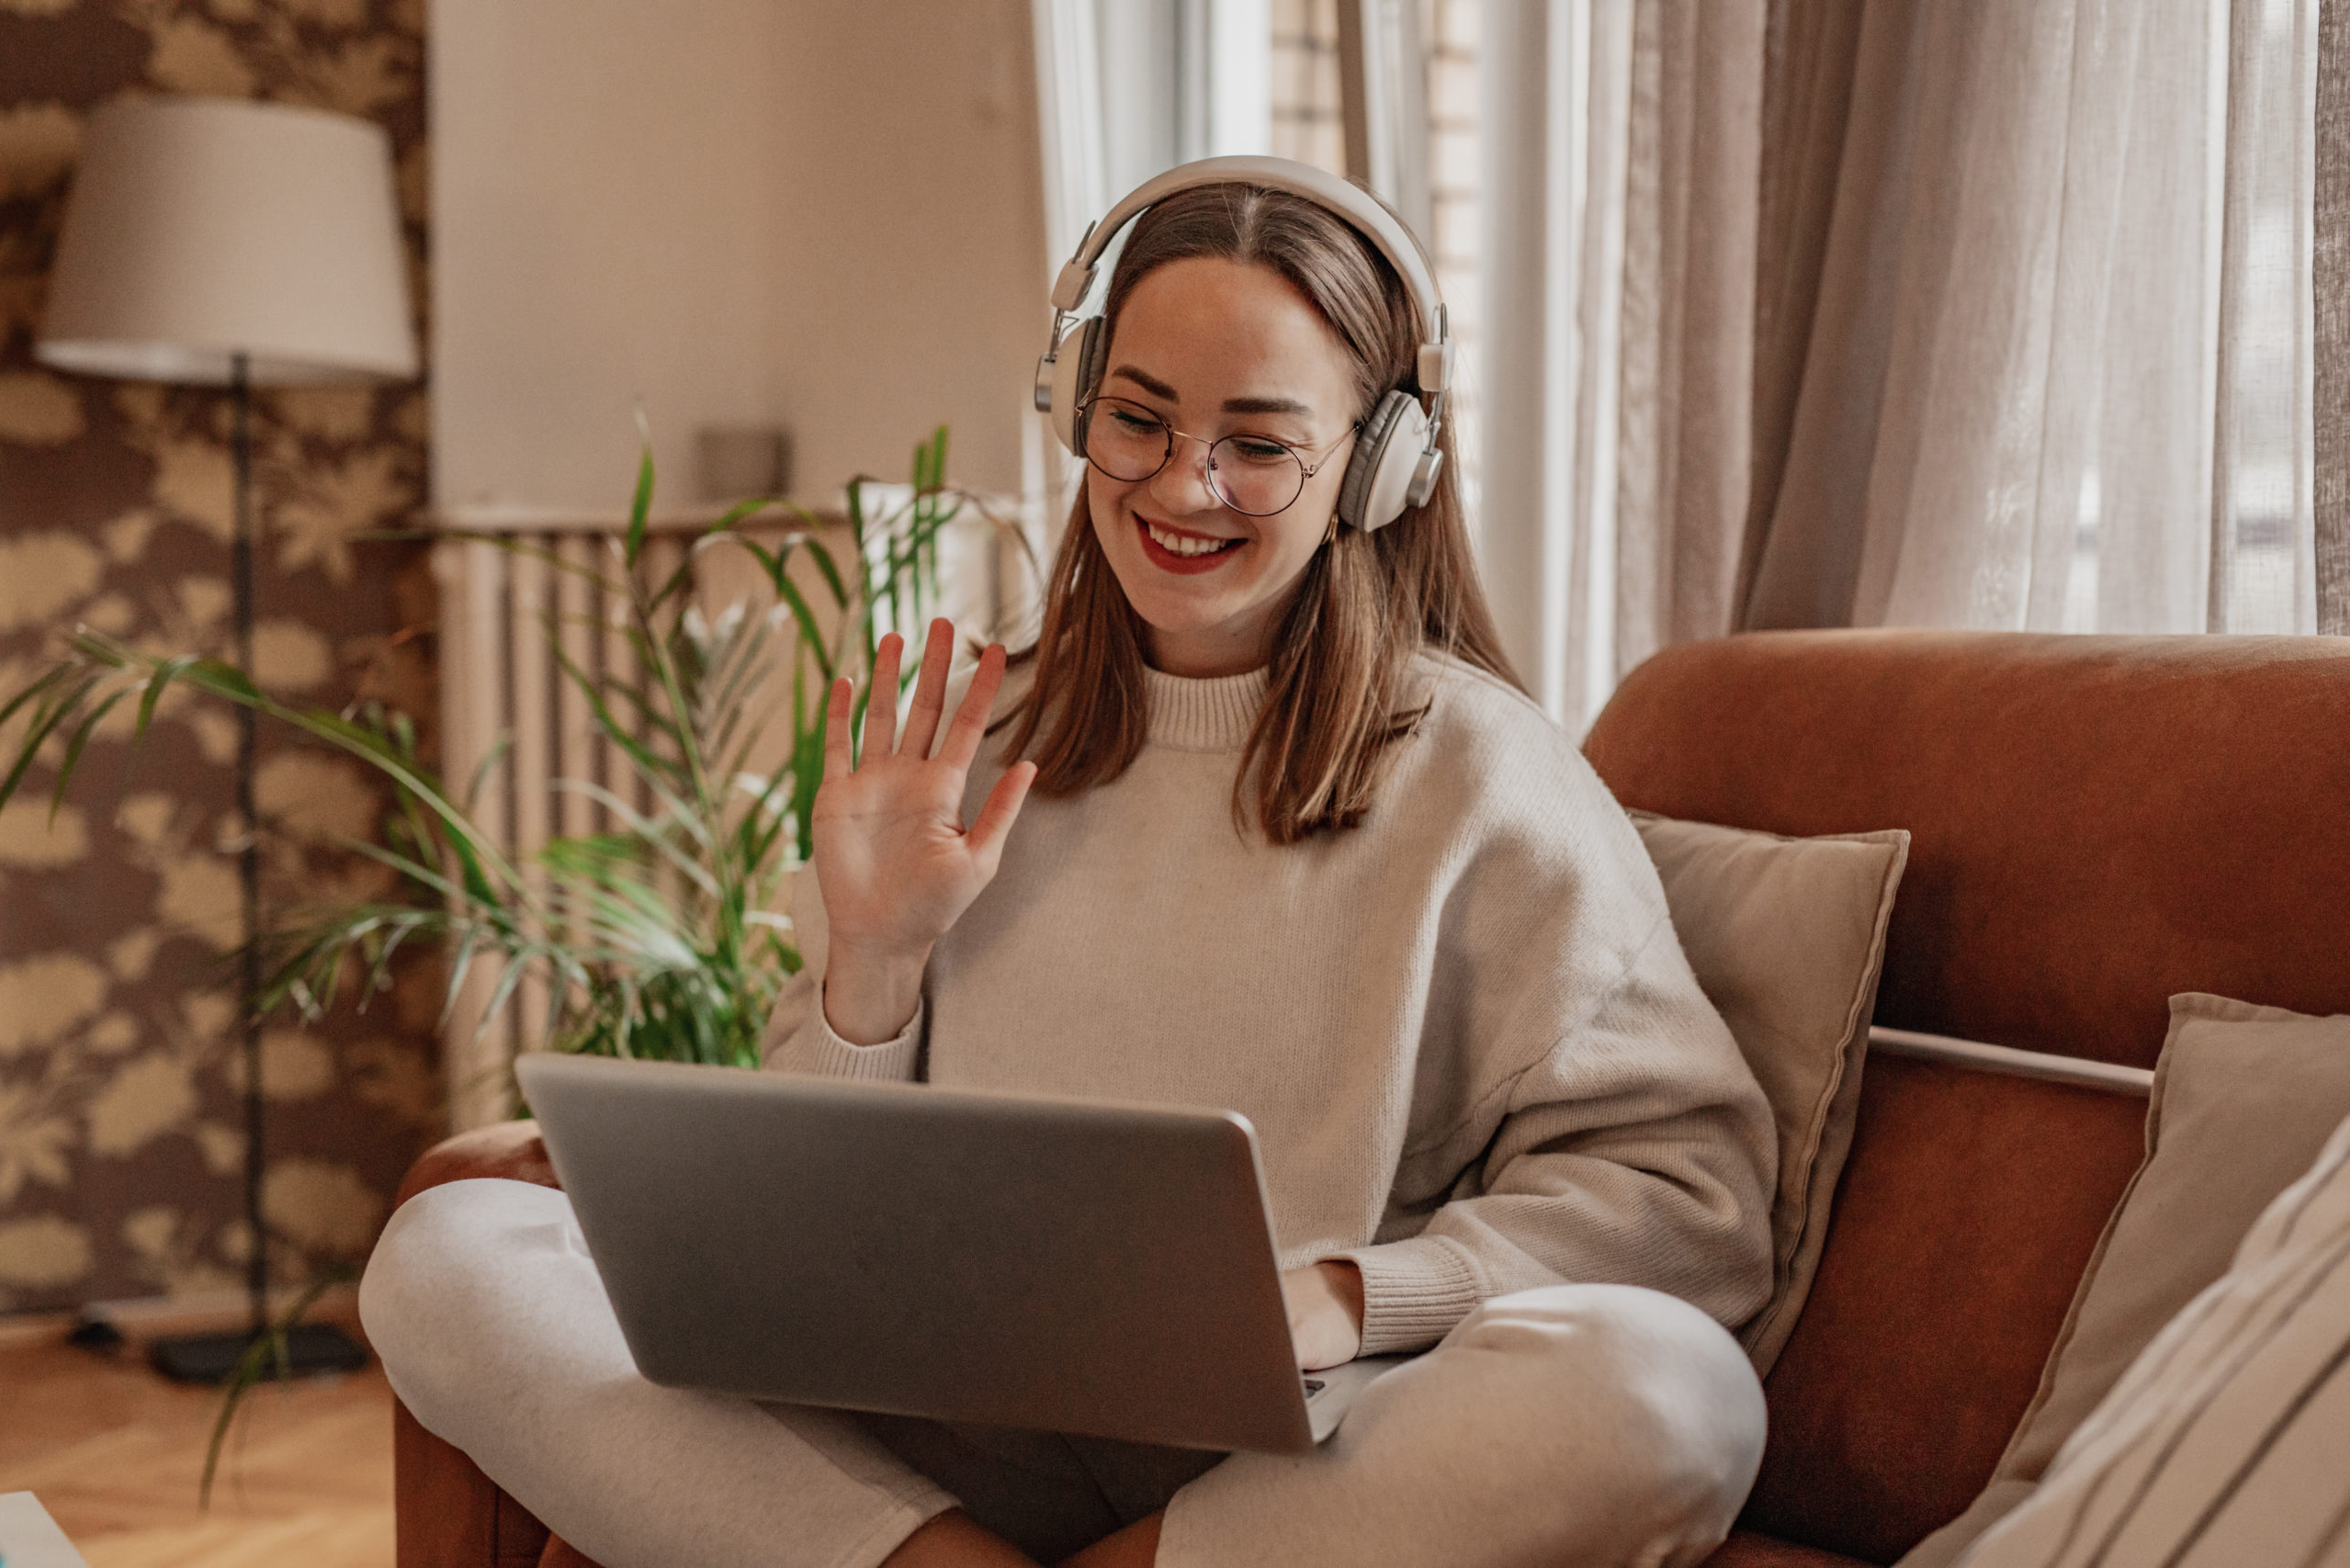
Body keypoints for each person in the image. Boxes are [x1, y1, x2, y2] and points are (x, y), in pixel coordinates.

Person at [364, 160, 1778, 1568]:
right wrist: (874, 960)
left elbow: (1687, 1200)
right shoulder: (969, 747)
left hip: (1292, 1469)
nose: (1184, 486)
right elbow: (801, 1255)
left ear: (1381, 466)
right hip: (942, 1444)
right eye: (1139, 420)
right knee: (450, 1256)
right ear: (1073, 407)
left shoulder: (1484, 775)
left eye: (1260, 442)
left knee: (1670, 1398)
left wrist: (1348, 1294)